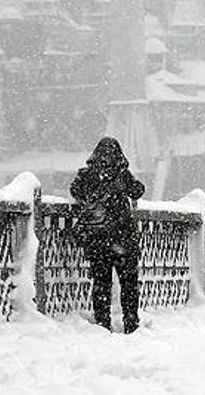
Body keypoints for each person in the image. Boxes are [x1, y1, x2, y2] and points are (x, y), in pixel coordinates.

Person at [69, 136, 146, 333]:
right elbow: (138, 191)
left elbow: (75, 190)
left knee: (101, 284)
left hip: (98, 239)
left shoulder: (88, 175)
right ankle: (131, 322)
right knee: (129, 284)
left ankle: (103, 324)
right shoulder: (122, 174)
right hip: (123, 239)